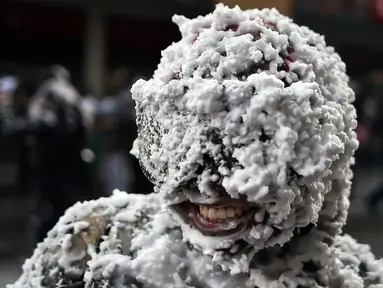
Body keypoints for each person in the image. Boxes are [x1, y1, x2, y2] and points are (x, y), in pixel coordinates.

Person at [8, 5, 383, 288]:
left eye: (253, 146)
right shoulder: (91, 244)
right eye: (180, 142)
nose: (206, 182)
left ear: (325, 157)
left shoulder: (355, 280)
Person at [1, 65, 92, 243]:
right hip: (70, 168)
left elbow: (35, 127)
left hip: (52, 168)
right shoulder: (71, 97)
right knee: (67, 213)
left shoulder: (51, 96)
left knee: (51, 216)